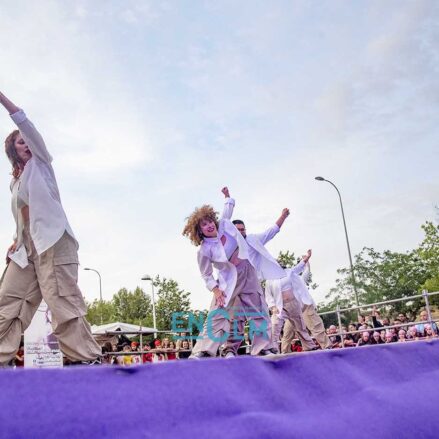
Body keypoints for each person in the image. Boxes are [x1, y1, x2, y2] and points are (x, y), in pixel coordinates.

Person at [0, 91, 101, 365]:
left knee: (61, 301)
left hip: (54, 241)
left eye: (28, 140)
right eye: (21, 142)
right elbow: (23, 216)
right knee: (9, 301)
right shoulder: (15, 183)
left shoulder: (41, 163)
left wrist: (2, 98)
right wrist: (16, 239)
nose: (27, 145)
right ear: (13, 149)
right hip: (26, 248)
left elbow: (25, 124)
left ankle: (85, 359)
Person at [182, 187, 286, 358]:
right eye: (204, 225)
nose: (209, 226)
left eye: (209, 221)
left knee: (258, 308)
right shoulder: (204, 250)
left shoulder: (224, 224)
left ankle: (263, 347)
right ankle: (203, 350)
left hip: (247, 271)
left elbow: (228, 210)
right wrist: (216, 290)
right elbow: (207, 275)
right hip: (228, 280)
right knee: (218, 312)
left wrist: (227, 197)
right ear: (199, 230)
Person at [266, 250, 318, 353]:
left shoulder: (289, 272)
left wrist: (306, 259)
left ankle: (309, 346)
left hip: (293, 303)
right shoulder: (270, 279)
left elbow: (298, 268)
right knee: (275, 325)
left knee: (300, 326)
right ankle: (273, 349)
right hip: (280, 306)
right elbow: (268, 295)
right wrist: (272, 307)